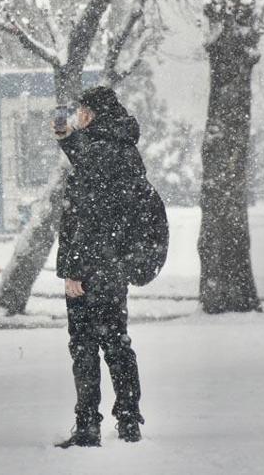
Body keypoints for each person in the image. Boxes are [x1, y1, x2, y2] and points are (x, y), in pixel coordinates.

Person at [53, 85, 166, 448]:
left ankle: (87, 426)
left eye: (83, 111)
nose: (79, 116)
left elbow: (87, 216)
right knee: (117, 343)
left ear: (94, 115)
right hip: (114, 266)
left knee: (84, 345)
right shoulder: (124, 149)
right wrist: (69, 140)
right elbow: (103, 182)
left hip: (88, 267)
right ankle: (129, 419)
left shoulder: (98, 154)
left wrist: (72, 270)